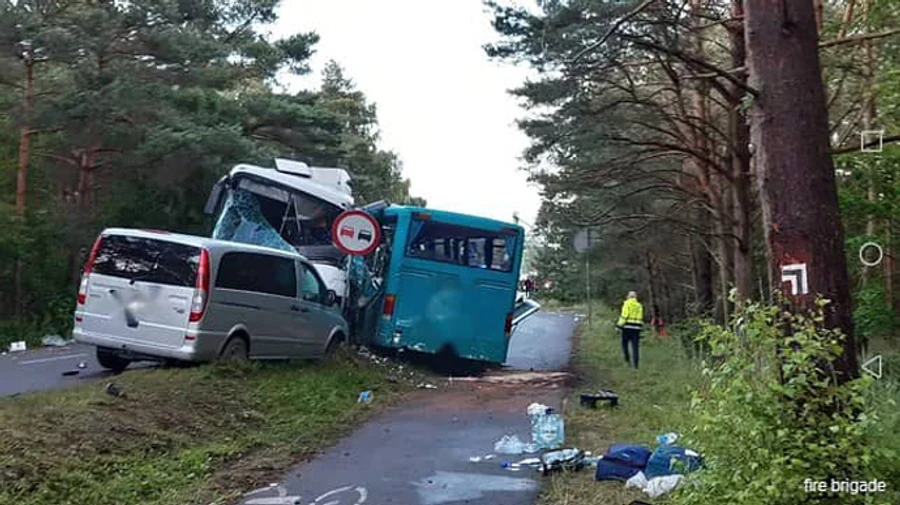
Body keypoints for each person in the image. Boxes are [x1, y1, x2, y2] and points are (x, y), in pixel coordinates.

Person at [616, 291, 644, 369]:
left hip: (627, 328)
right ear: (635, 297)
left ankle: (627, 361)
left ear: (628, 296)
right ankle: (636, 365)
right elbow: (640, 317)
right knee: (635, 347)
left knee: (624, 344)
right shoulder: (639, 305)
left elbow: (624, 316)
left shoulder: (627, 304)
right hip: (636, 329)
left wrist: (618, 326)